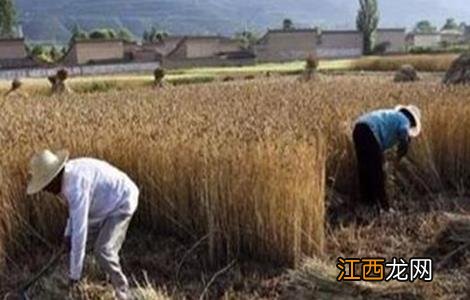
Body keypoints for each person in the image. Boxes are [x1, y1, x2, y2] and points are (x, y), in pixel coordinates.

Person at [26, 149, 139, 300]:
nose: (46, 190)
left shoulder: (76, 186)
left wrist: (74, 276)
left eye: (46, 185)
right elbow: (73, 213)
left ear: (54, 177)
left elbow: (80, 233)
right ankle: (101, 277)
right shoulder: (66, 179)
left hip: (122, 201)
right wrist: (67, 234)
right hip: (103, 205)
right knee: (83, 244)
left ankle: (122, 290)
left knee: (103, 250)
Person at [353, 105, 422, 212]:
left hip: (358, 128)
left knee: (365, 169)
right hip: (370, 131)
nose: (411, 127)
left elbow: (380, 145)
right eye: (412, 125)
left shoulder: (391, 115)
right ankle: (384, 207)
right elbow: (404, 134)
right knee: (378, 172)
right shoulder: (404, 119)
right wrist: (401, 154)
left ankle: (368, 203)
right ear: (412, 120)